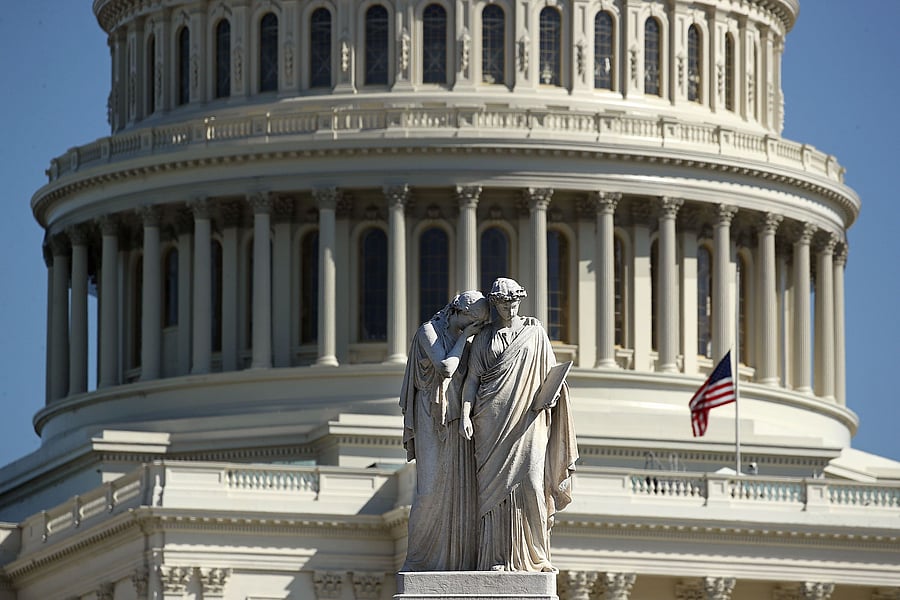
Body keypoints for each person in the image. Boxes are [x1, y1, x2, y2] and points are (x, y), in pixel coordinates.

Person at [460, 277, 578, 572]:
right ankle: (497, 557)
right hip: (490, 420)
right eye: (502, 303)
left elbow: (552, 374)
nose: (508, 308)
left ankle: (535, 555)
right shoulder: (484, 338)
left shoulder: (535, 332)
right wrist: (464, 414)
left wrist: (552, 397)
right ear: (494, 304)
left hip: (529, 419)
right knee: (493, 493)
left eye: (513, 302)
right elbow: (472, 379)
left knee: (532, 484)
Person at [400, 291, 490, 571]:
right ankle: (418, 560)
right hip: (431, 416)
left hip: (457, 419)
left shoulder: (472, 341)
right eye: (473, 321)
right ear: (457, 312)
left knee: (460, 492)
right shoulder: (429, 331)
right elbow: (445, 367)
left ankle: (457, 560)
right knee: (429, 491)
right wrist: (465, 338)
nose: (475, 327)